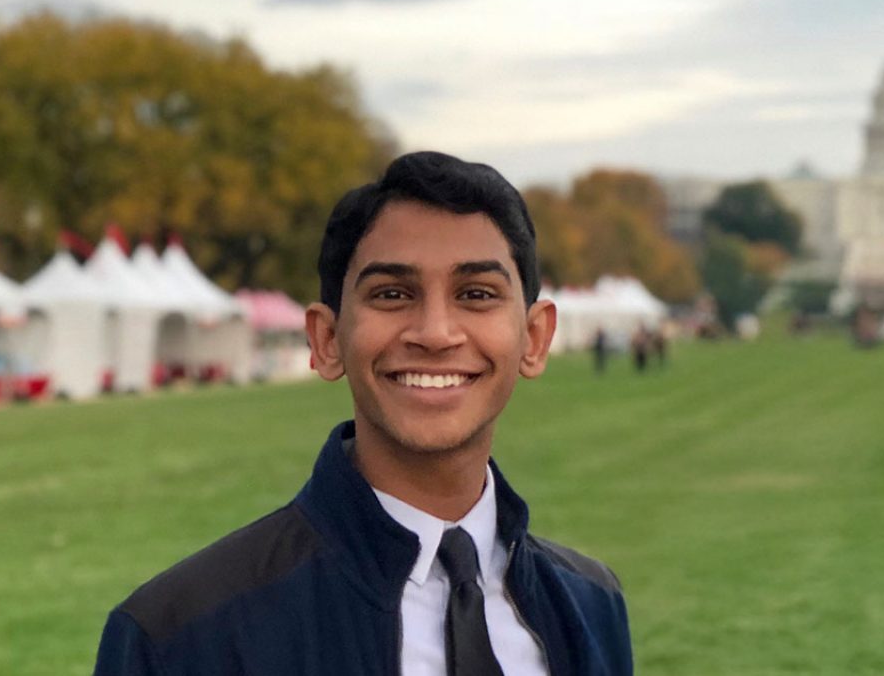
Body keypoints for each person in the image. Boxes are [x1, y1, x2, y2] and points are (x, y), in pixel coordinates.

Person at [94, 151, 633, 675]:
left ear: (535, 338)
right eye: (393, 293)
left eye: (476, 293)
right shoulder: (180, 637)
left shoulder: (592, 604)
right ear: (327, 340)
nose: (436, 333)